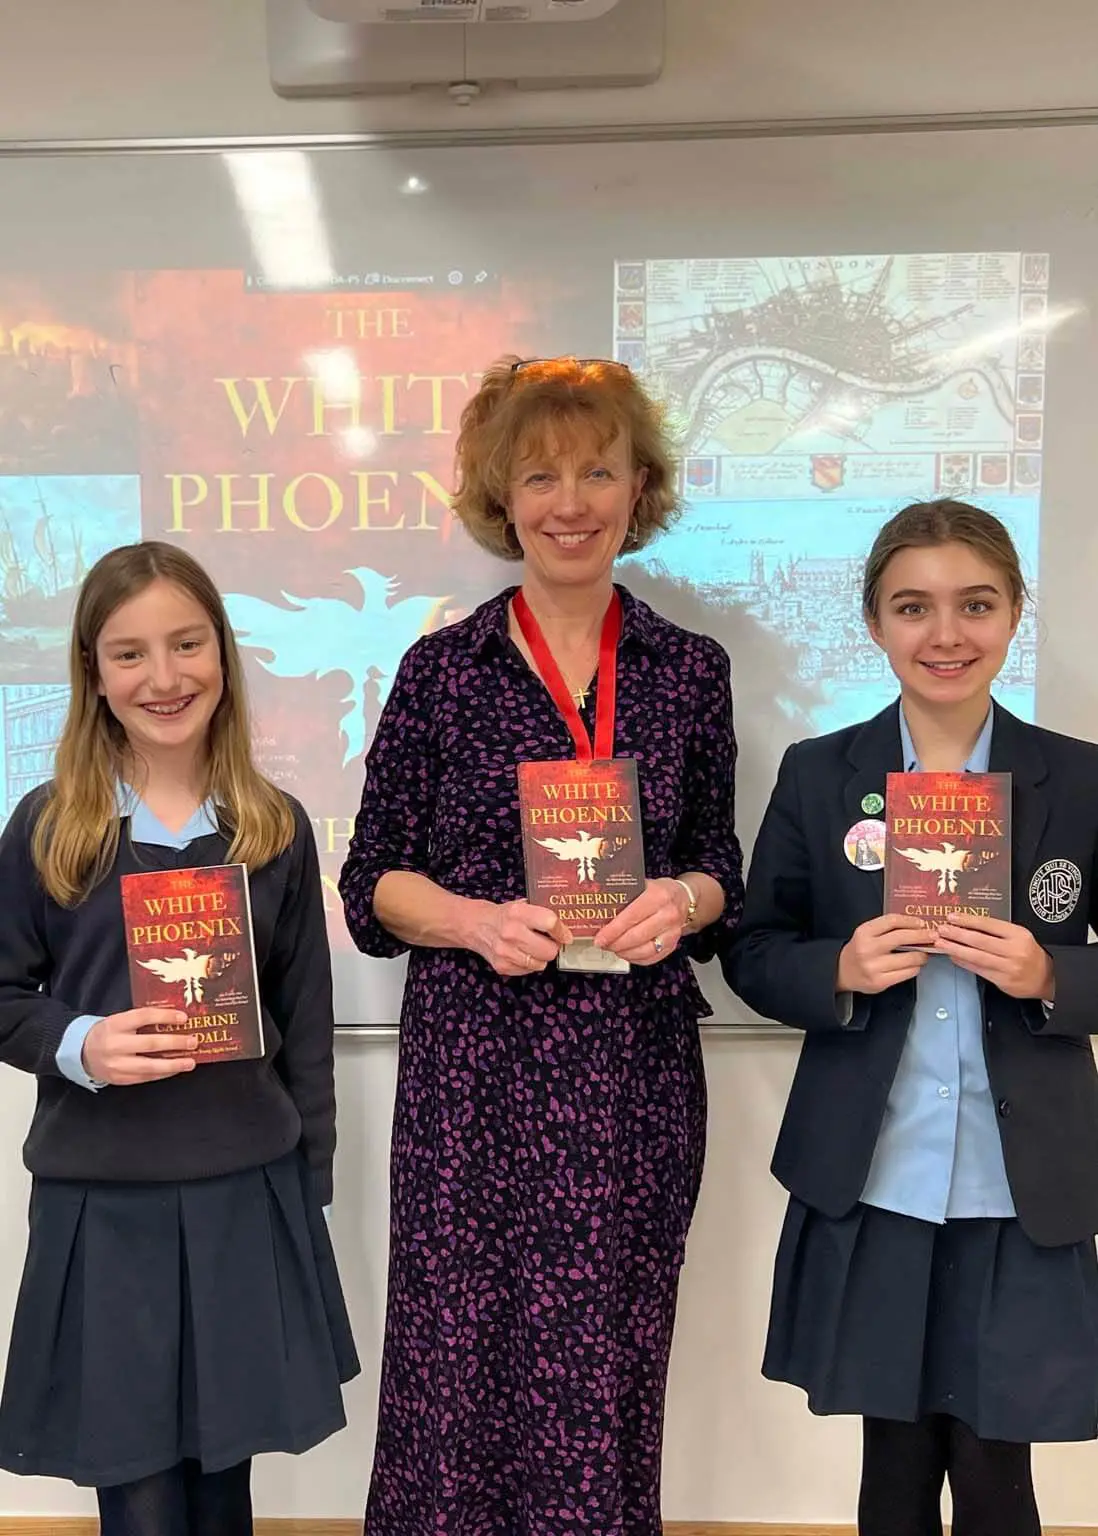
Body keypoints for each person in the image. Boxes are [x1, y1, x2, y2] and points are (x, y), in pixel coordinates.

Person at [340, 355, 743, 1536]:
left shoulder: (687, 672)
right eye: (541, 474)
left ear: (639, 488)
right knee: (456, 1364)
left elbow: (725, 865)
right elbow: (373, 884)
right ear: (500, 499)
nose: (572, 501)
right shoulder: (440, 672)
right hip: (477, 1075)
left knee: (610, 1355)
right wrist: (469, 919)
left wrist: (685, 899)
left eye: (599, 471)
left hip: (633, 1073)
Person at [723, 499, 1098, 1536]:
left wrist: (1051, 975)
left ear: (1017, 611)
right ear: (874, 623)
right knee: (891, 1458)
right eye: (913, 607)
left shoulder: (1080, 779)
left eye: (975, 604)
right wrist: (837, 968)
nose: (946, 634)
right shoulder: (818, 774)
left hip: (1017, 1185)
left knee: (994, 1462)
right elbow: (754, 949)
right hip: (872, 1174)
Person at [0, 541, 359, 1536]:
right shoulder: (48, 828)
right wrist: (80, 1043)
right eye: (129, 654)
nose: (164, 677)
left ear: (223, 655)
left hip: (245, 1191)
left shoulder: (273, 827)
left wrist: (310, 1186)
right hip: (104, 1200)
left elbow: (308, 1032)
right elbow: (2, 994)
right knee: (139, 1490)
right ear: (93, 675)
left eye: (187, 643)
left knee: (220, 1480)